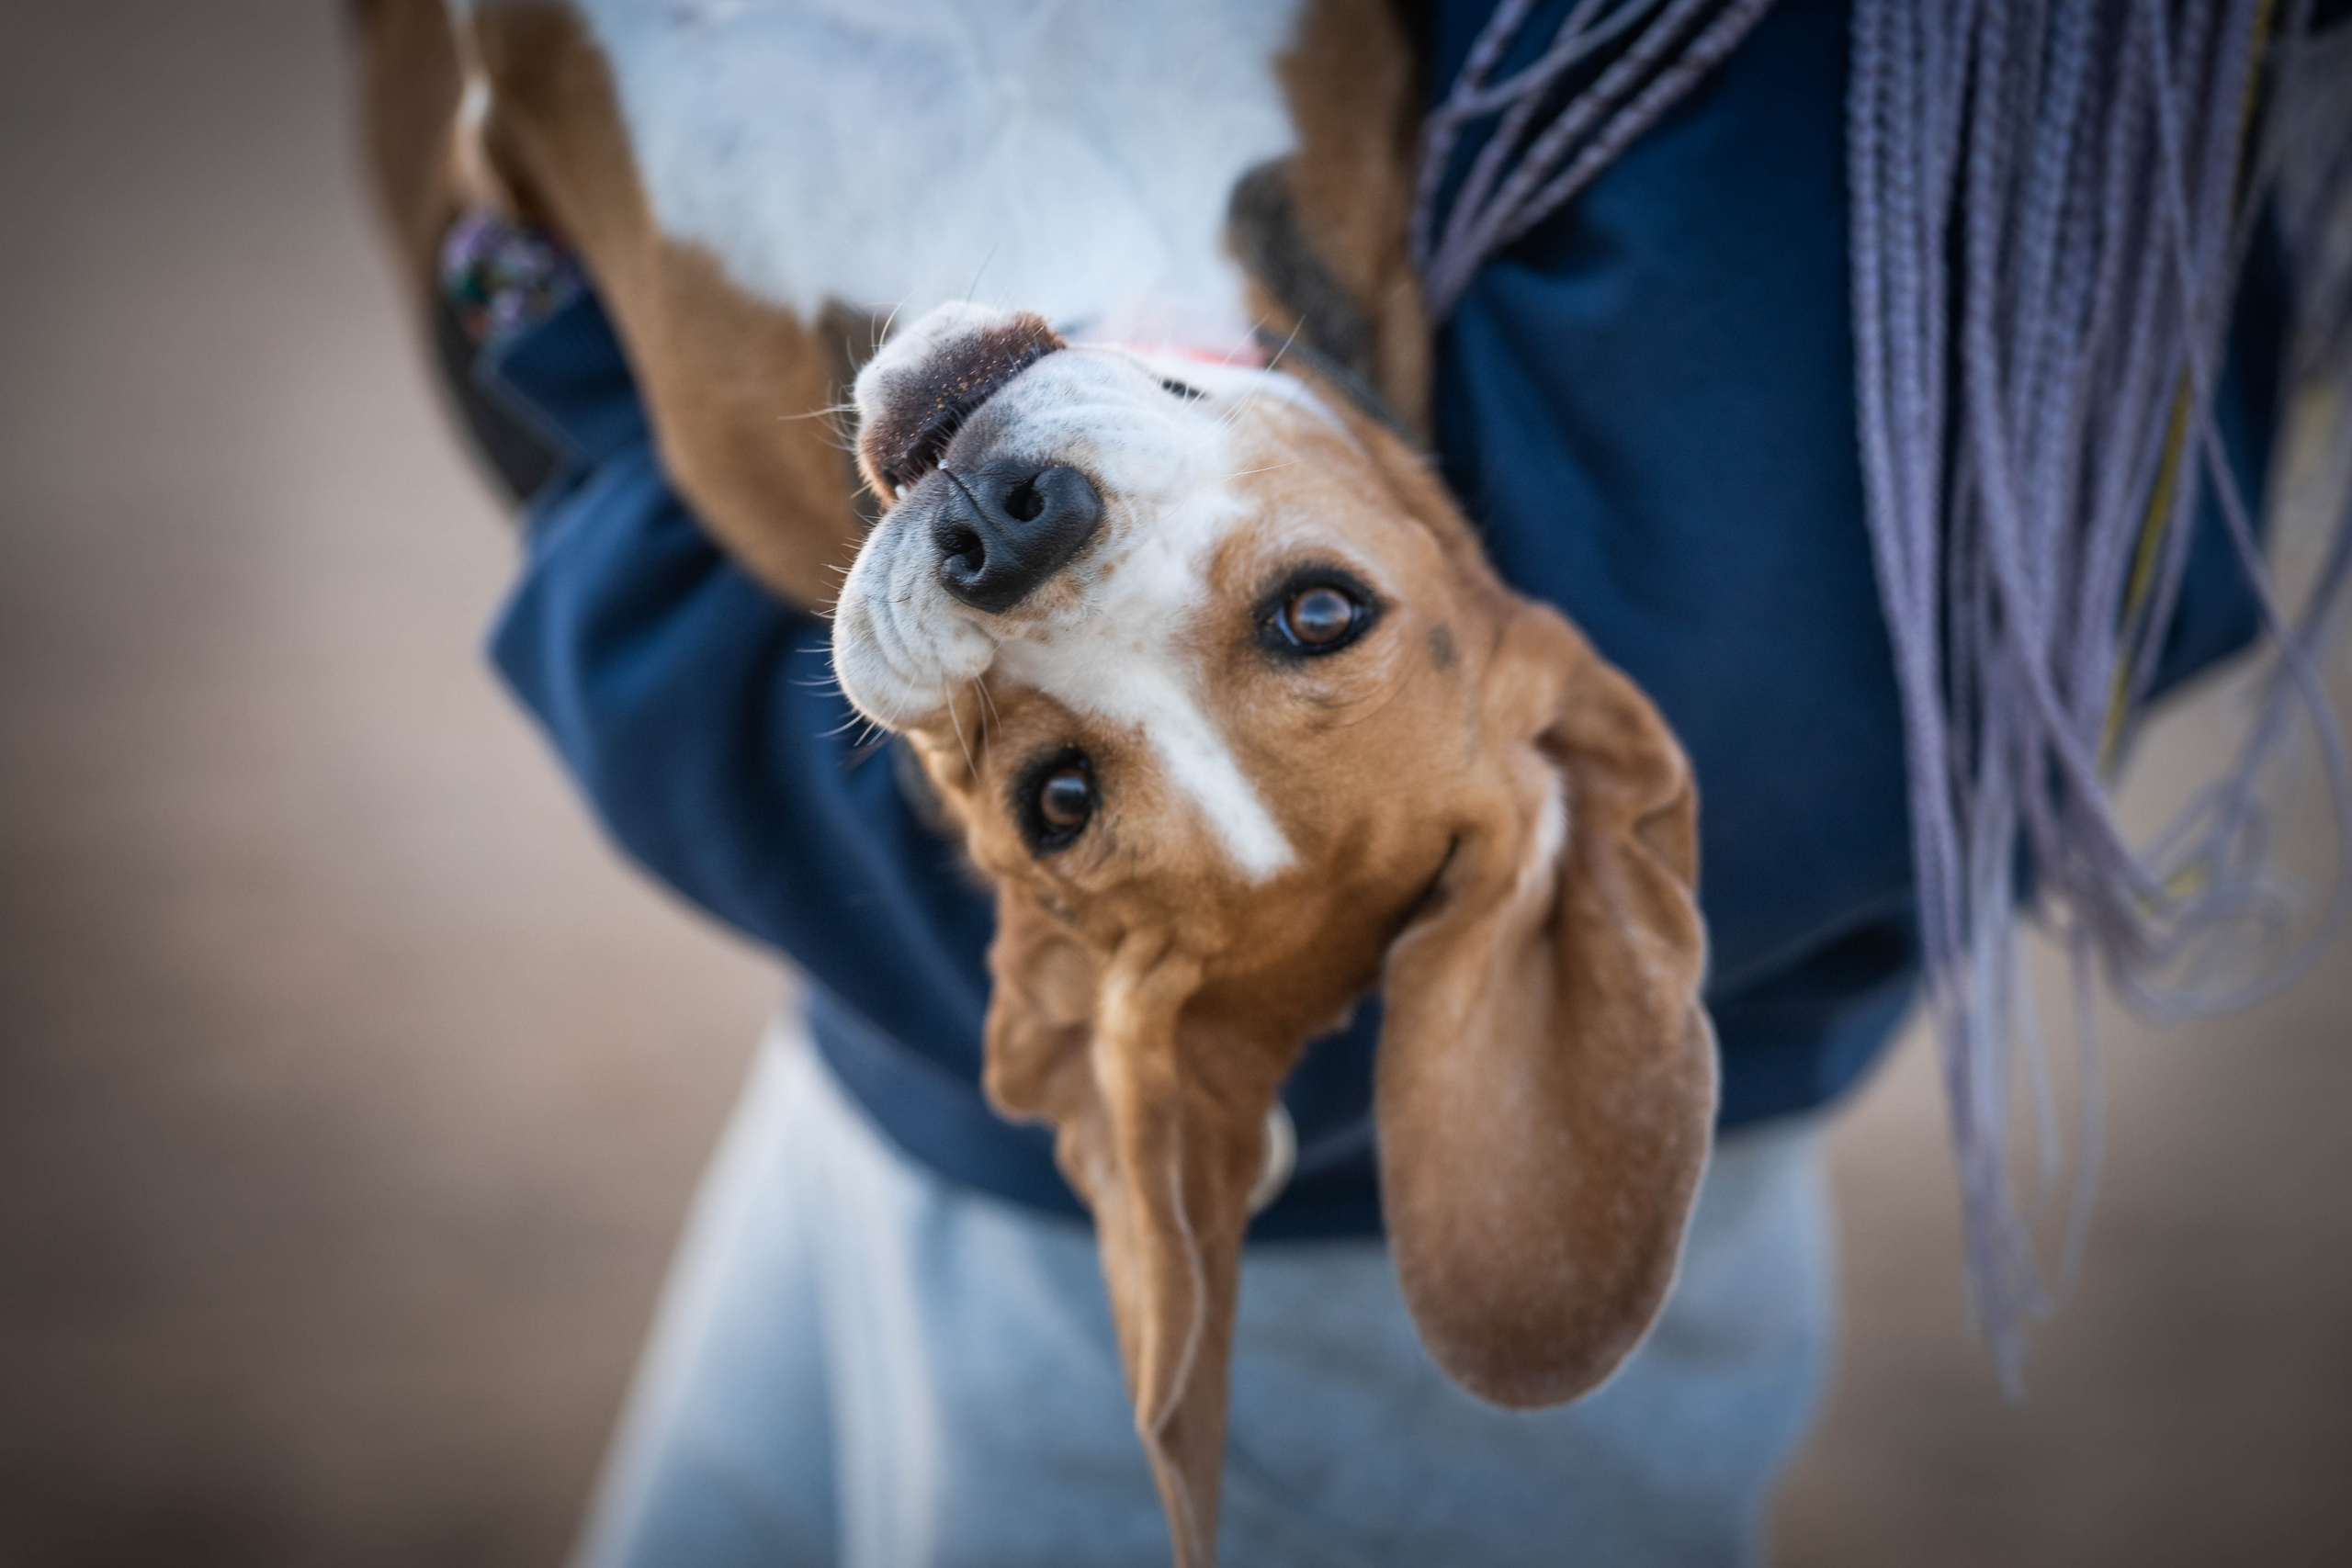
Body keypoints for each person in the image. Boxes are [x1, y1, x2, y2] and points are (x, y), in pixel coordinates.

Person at [432, 1, 2296, 1561]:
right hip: (979, 1129)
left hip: (1147, 1216)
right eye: (1308, 612)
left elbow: (968, 888)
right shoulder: (1650, 636)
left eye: (1066, 789)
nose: (1024, 568)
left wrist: (559, 398)